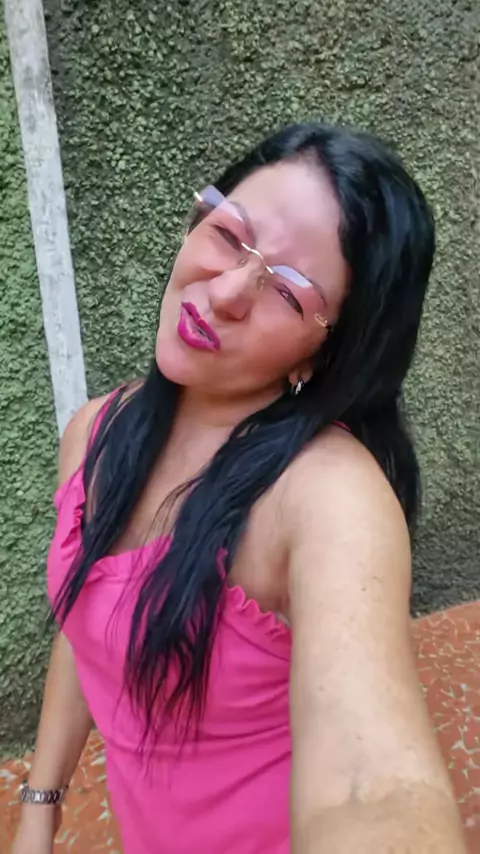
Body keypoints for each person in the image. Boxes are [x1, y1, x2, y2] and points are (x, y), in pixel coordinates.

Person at [13, 122, 467, 854]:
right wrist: (40, 805)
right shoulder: (94, 431)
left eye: (287, 292)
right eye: (229, 235)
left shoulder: (326, 497)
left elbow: (374, 789)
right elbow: (86, 625)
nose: (225, 292)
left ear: (323, 355)